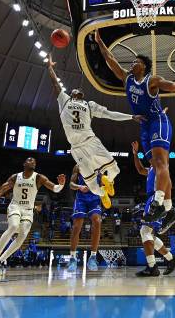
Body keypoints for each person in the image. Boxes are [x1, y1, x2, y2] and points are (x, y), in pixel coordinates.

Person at [95, 30, 175, 227]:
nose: (132, 64)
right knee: (157, 167)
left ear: (144, 66)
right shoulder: (127, 79)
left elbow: (172, 86)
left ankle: (157, 203)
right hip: (145, 127)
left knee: (160, 163)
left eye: (136, 62)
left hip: (158, 122)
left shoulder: (152, 80)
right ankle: (170, 209)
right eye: (131, 62)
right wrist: (100, 42)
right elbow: (110, 59)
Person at [47, 59, 143, 209]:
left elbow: (110, 114)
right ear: (71, 94)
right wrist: (50, 68)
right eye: (74, 90)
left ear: (82, 95)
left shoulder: (89, 105)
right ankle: (102, 192)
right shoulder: (64, 101)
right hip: (77, 147)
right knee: (91, 186)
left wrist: (131, 117)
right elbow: (55, 84)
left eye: (80, 90)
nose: (77, 89)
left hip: (91, 141)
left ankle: (108, 181)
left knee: (115, 169)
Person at [0, 157, 65, 276]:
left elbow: (55, 188)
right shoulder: (15, 177)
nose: (32, 161)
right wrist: (4, 187)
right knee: (13, 226)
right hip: (15, 206)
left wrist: (61, 184)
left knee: (22, 237)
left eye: (34, 161)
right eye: (29, 160)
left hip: (28, 210)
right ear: (24, 163)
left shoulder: (39, 178)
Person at [131, 141, 175, 276]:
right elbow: (140, 170)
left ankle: (152, 267)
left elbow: (168, 185)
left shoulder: (162, 168)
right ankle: (171, 259)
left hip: (156, 199)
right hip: (152, 199)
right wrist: (135, 154)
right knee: (149, 233)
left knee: (145, 231)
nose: (150, 158)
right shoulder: (151, 170)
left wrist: (165, 204)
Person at [68, 164, 104, 272]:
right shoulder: (78, 166)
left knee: (97, 221)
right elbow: (71, 184)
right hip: (81, 199)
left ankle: (93, 257)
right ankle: (73, 258)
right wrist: (79, 187)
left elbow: (102, 184)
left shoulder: (100, 167)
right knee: (77, 226)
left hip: (94, 198)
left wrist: (104, 189)